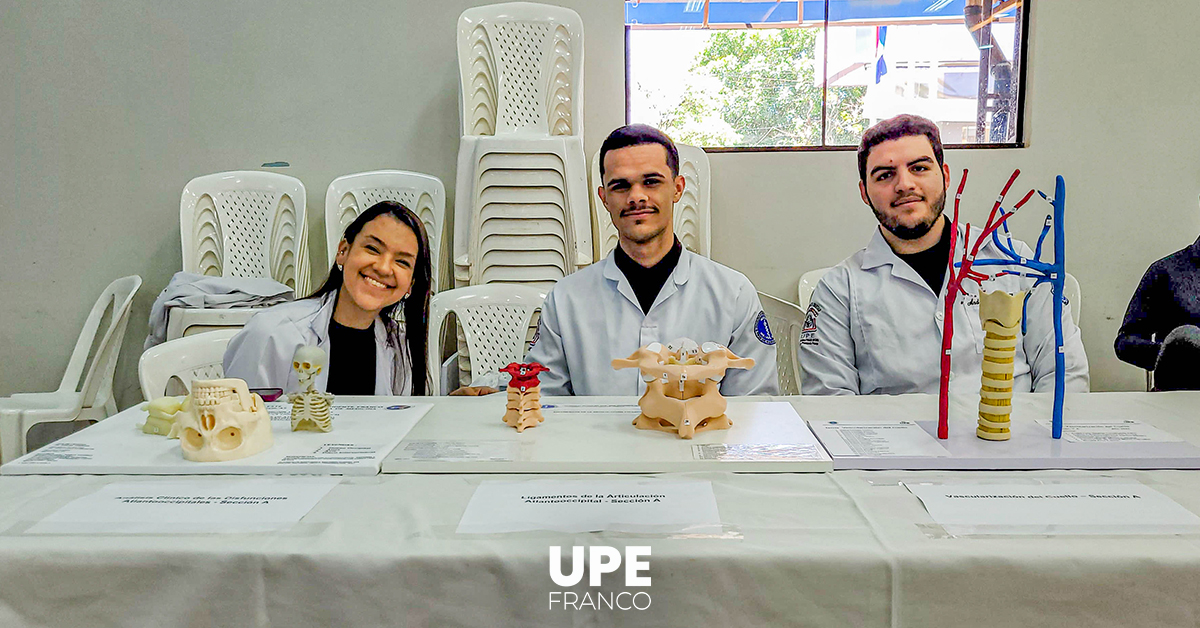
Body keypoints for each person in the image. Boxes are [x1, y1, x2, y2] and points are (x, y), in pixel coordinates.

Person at [799, 114, 1089, 395]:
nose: (904, 185)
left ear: (945, 176)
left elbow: (1063, 374)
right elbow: (830, 404)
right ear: (864, 193)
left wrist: (1035, 442)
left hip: (1015, 437)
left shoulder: (1015, 263)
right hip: (898, 444)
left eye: (919, 168)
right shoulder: (839, 290)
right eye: (885, 175)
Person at [526, 124, 779, 396]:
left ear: (678, 188)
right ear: (604, 198)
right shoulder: (565, 300)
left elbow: (756, 407)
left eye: (651, 182)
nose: (637, 197)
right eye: (620, 186)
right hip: (596, 440)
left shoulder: (734, 294)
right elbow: (543, 400)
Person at [224, 200, 432, 395]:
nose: (384, 268)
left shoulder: (400, 345)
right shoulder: (271, 333)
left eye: (402, 262)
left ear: (410, 285)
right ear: (343, 251)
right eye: (372, 249)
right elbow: (238, 422)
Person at [1115, 235, 1200, 390]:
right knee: (1188, 334)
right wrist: (1172, 354)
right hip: (1177, 397)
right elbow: (1125, 342)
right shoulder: (1166, 271)